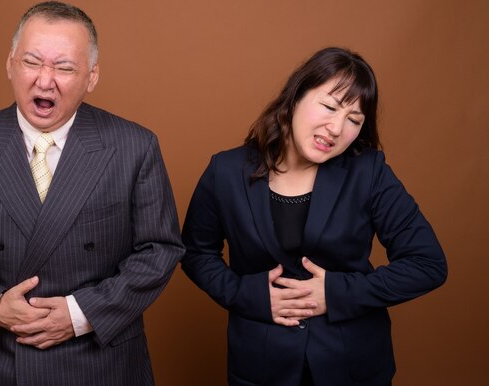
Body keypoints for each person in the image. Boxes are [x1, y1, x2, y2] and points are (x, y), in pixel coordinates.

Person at [0, 1, 184, 386]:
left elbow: (161, 250)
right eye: (31, 62)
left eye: (64, 67)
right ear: (9, 64)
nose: (44, 80)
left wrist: (79, 314)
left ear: (91, 76)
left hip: (105, 362)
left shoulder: (134, 146)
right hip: (8, 360)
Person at [180, 47, 447, 386]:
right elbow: (195, 253)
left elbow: (427, 264)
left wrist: (336, 294)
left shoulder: (369, 172)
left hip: (352, 366)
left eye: (354, 120)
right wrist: (246, 295)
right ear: (294, 97)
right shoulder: (226, 171)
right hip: (260, 366)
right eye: (329, 106)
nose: (337, 128)